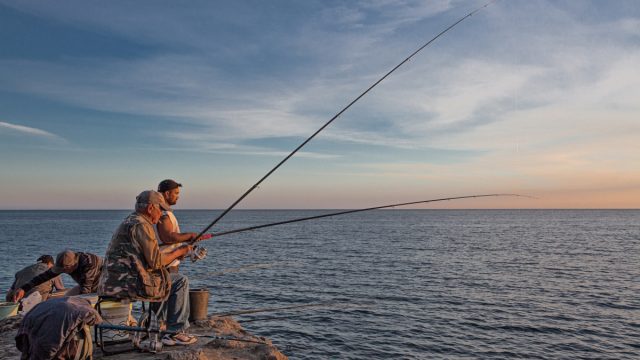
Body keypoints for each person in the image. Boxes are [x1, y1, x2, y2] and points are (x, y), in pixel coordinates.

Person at [98, 190, 197, 346]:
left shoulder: (130, 220)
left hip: (113, 281)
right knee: (179, 281)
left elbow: (148, 257)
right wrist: (181, 251)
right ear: (151, 208)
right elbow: (156, 261)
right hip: (126, 284)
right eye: (161, 210)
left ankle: (158, 327)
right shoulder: (142, 225)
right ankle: (174, 332)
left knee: (162, 277)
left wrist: (173, 254)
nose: (162, 215)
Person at [12, 250, 102, 302]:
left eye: (64, 270)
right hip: (85, 286)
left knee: (73, 304)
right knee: (64, 301)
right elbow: (43, 277)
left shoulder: (89, 262)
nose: (63, 272)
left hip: (103, 285)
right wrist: (24, 288)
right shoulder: (67, 263)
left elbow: (86, 291)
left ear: (72, 265)